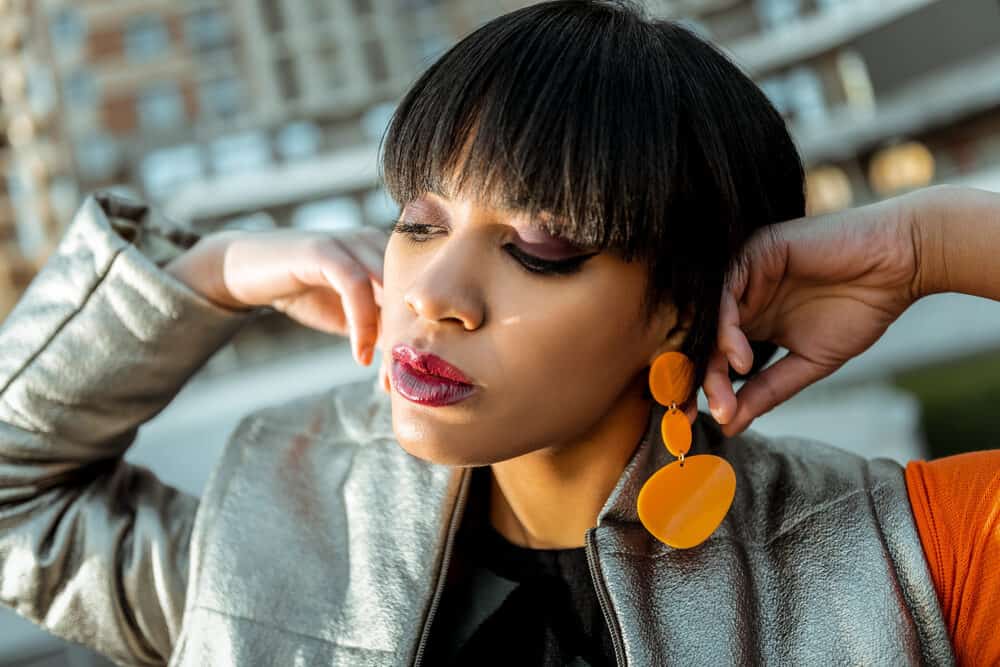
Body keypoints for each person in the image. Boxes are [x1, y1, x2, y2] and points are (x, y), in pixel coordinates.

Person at [0, 1, 997, 665]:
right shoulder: (282, 530)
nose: (434, 291)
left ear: (680, 307)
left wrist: (929, 242)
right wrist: (210, 272)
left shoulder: (883, 561)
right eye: (419, 222)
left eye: (541, 246)